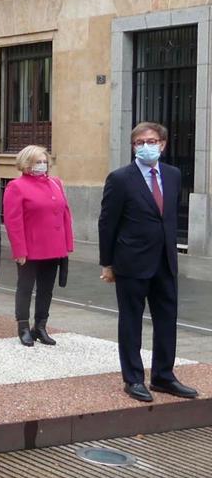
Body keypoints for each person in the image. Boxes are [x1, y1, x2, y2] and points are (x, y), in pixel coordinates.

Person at [98, 122, 197, 402]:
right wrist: (108, 263)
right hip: (131, 262)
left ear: (162, 144)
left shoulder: (173, 175)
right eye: (139, 142)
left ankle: (164, 376)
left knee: (167, 320)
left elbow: (167, 216)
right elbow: (107, 223)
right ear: (133, 147)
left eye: (151, 141)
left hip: (165, 261)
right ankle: (133, 379)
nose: (145, 146)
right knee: (131, 321)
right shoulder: (120, 179)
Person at [3, 145, 74, 347]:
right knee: (25, 287)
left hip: (54, 247)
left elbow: (65, 214)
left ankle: (41, 326)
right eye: (37, 162)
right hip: (31, 248)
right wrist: (19, 250)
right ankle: (23, 326)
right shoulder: (16, 186)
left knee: (46, 289)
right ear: (26, 163)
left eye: (44, 161)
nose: (42, 165)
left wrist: (67, 244)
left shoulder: (56, 183)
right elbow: (13, 222)